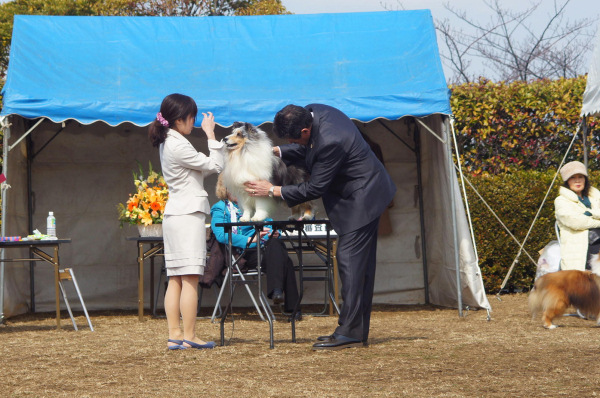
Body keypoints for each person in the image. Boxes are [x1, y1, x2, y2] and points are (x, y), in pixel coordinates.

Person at [244, 104, 396, 350]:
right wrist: (275, 151)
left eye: (295, 139)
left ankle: (349, 333)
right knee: (359, 268)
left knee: (350, 264)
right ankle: (354, 331)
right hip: (362, 195)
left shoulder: (331, 141)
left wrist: (272, 190)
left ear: (306, 130)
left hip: (363, 199)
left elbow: (315, 188)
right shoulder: (315, 111)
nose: (295, 143)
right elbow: (304, 147)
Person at [148, 93, 224, 350]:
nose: (193, 123)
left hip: (176, 215)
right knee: (189, 277)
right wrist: (211, 135)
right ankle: (189, 335)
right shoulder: (177, 144)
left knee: (176, 278)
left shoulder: (170, 140)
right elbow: (215, 165)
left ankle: (175, 335)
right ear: (179, 119)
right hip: (187, 215)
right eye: (191, 118)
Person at [210, 176, 301, 321]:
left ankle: (277, 292)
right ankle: (290, 305)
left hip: (264, 248)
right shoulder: (220, 208)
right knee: (285, 260)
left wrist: (274, 232)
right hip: (243, 253)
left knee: (276, 243)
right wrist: (250, 239)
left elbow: (269, 222)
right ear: (225, 189)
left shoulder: (253, 205)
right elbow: (221, 235)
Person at [555, 160, 600, 271]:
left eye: (580, 177)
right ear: (567, 181)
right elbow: (576, 222)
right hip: (579, 246)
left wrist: (589, 214)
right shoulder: (561, 201)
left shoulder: (595, 196)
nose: (577, 181)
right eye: (572, 177)